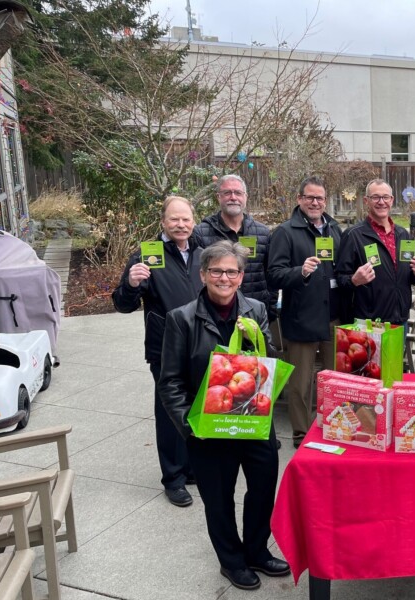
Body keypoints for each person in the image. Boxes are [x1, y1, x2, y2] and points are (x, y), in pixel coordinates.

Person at [159, 241, 290, 591]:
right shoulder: (182, 319)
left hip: (253, 423)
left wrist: (259, 338)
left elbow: (269, 365)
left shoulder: (257, 309)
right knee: (218, 499)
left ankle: (257, 550)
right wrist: (191, 426)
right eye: (216, 270)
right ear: (203, 275)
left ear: (241, 276)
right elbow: (169, 381)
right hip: (210, 429)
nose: (224, 277)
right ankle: (231, 561)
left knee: (262, 490)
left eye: (231, 271)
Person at [112, 196, 202, 508]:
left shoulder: (203, 252)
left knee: (196, 408)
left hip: (200, 347)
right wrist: (131, 284)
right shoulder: (147, 255)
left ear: (193, 221)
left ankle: (191, 468)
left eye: (186, 219)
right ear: (163, 221)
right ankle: (174, 479)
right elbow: (122, 304)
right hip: (165, 349)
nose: (181, 225)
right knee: (170, 416)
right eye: (174, 219)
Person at [267, 176, 343, 448]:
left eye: (319, 198)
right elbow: (274, 275)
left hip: (333, 316)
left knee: (334, 379)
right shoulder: (285, 232)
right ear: (299, 199)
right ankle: (301, 432)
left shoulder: (335, 229)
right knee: (301, 383)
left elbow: (341, 270)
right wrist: (299, 272)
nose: (315, 202)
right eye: (309, 197)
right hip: (301, 317)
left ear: (326, 201)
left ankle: (333, 424)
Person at [335, 179, 415, 325]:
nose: (381, 202)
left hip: (399, 320)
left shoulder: (403, 234)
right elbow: (340, 278)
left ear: (392, 200)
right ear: (366, 201)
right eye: (375, 197)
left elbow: (407, 277)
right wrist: (354, 280)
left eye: (385, 197)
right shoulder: (353, 235)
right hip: (369, 323)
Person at [195, 174, 276, 319]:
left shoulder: (262, 232)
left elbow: (271, 274)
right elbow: (197, 276)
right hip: (214, 315)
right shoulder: (201, 232)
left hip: (254, 313)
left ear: (246, 197)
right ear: (218, 197)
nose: (233, 197)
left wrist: (270, 307)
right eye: (227, 193)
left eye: (238, 193)